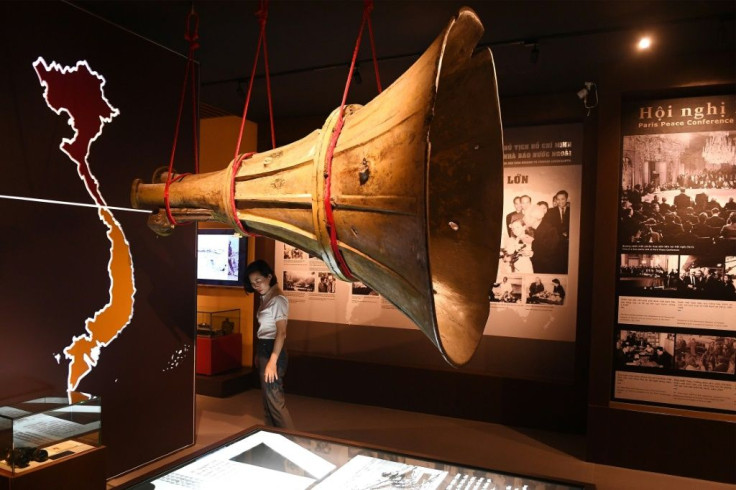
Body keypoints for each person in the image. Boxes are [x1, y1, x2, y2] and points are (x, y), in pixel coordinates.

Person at [244, 259, 295, 429]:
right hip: (265, 349)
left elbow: (281, 332)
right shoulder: (266, 297)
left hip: (273, 350)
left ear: (269, 276)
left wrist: (272, 361)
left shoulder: (278, 299)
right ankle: (273, 441)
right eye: (252, 283)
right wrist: (260, 354)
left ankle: (291, 445)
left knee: (275, 402)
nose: (256, 285)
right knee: (268, 402)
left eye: (259, 280)